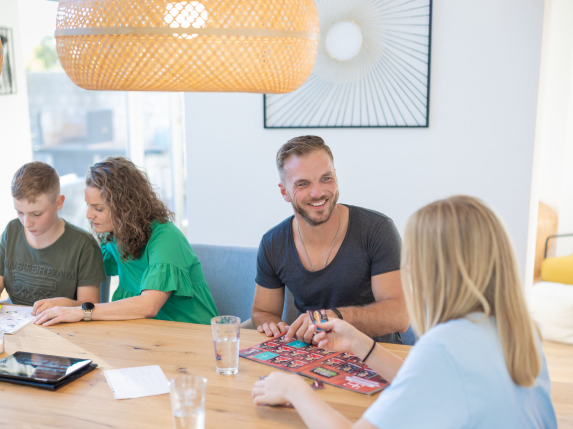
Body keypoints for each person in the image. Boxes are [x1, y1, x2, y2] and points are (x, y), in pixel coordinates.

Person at [252, 196, 557, 429]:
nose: (408, 268)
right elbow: (429, 379)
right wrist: (360, 344)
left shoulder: (445, 346)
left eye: (413, 257)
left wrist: (294, 390)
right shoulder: (516, 329)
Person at [252, 135, 409, 344]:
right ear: (284, 192)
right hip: (312, 358)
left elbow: (399, 316)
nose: (318, 192)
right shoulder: (273, 243)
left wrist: (334, 318)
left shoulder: (378, 229)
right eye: (303, 183)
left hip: (376, 360)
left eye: (326, 178)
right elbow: (262, 311)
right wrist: (272, 324)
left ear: (336, 176)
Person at [32, 157, 218, 325]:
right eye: (88, 206)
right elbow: (85, 273)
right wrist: (68, 304)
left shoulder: (166, 238)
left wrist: (82, 311)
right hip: (143, 334)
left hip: (191, 335)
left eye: (98, 208)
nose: (89, 215)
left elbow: (148, 305)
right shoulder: (112, 236)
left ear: (125, 207)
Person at [0, 162, 106, 315]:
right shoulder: (12, 231)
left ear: (59, 203)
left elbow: (91, 307)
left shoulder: (84, 246)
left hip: (63, 333)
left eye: (36, 214)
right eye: (20, 212)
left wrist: (65, 305)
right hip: (16, 328)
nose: (26, 223)